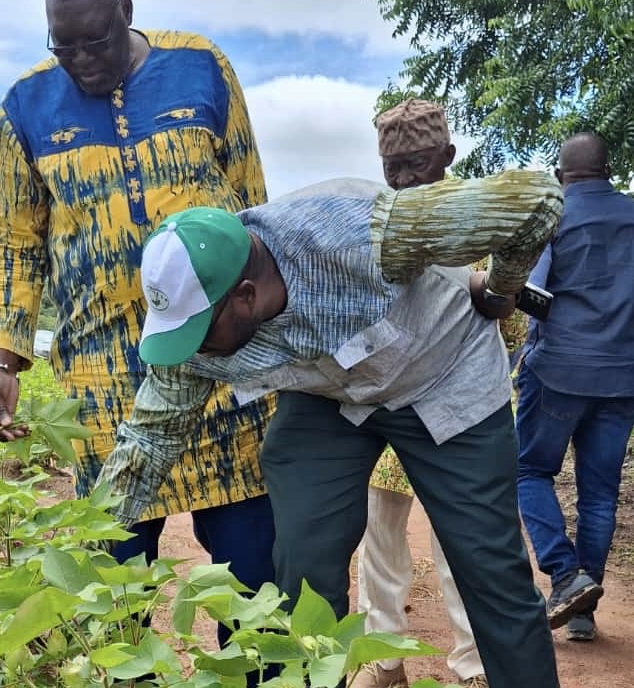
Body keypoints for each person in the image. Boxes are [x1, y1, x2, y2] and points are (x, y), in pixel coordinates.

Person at [96, 169, 564, 688]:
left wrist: (502, 291)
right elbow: (148, 440)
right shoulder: (196, 338)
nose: (189, 350)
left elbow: (534, 201)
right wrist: (85, 541)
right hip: (332, 396)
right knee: (301, 559)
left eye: (197, 332)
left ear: (246, 296)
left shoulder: (364, 231)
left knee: (489, 568)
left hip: (444, 372)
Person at [0, 0, 277, 665]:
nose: (82, 60)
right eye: (64, 45)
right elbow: (16, 240)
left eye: (96, 41)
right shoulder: (25, 107)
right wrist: (1, 357)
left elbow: (255, 206)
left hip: (221, 374)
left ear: (127, 13)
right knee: (111, 593)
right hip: (104, 386)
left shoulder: (202, 68)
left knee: (255, 587)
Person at [354, 99, 486, 687]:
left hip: (456, 413)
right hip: (384, 409)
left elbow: (505, 324)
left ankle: (473, 665)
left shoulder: (480, 221)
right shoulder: (371, 222)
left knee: (463, 542)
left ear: (448, 157)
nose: (404, 179)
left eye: (417, 163)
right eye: (393, 167)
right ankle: (382, 660)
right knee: (378, 540)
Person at [516, 132, 634, 642]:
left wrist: (532, 347)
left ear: (562, 175)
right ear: (608, 170)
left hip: (559, 372)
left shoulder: (555, 216)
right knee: (600, 494)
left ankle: (565, 575)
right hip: (623, 377)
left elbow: (532, 295)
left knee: (528, 470)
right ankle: (584, 611)